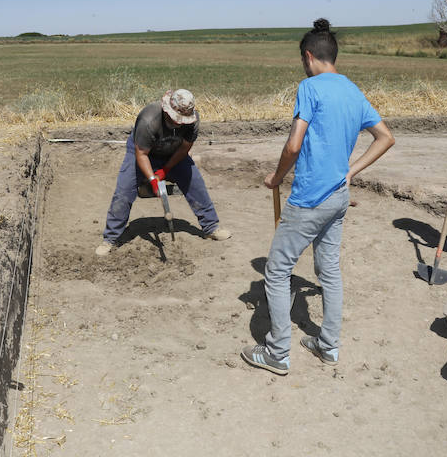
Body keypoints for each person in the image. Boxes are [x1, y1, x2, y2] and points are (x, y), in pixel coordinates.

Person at [240, 19, 395, 375]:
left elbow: (294, 144)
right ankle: (328, 346)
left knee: (276, 270)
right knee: (329, 272)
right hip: (339, 197)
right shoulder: (354, 91)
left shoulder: (309, 88)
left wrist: (276, 177)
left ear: (309, 57)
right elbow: (385, 137)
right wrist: (350, 173)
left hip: (309, 199)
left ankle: (277, 353)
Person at [95, 89, 231, 255]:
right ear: (167, 111)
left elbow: (184, 148)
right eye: (176, 119)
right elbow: (141, 154)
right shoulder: (149, 120)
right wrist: (153, 179)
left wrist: (165, 169)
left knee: (195, 183)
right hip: (142, 153)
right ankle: (111, 238)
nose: (180, 123)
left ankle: (211, 228)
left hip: (173, 153)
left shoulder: (192, 121)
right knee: (124, 192)